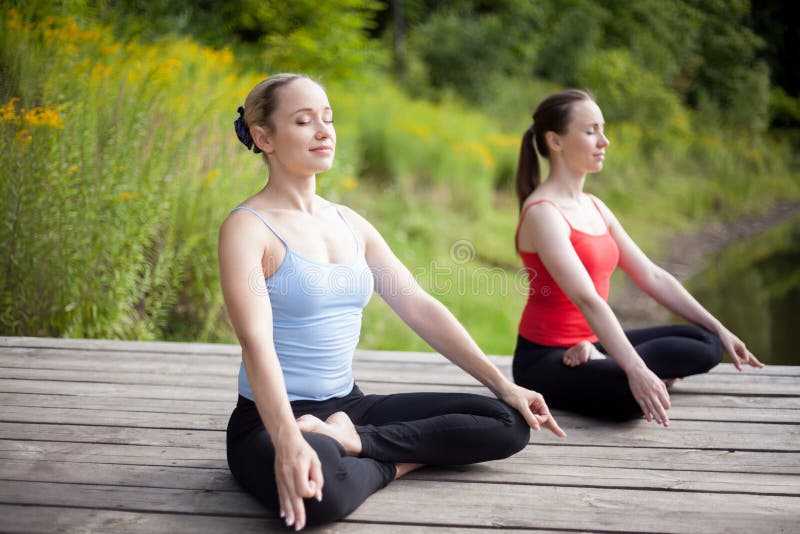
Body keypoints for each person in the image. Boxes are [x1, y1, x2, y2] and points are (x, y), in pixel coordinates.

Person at [220, 73, 565, 531]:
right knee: (319, 497)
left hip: (350, 407)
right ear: (264, 137)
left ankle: (356, 442)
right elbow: (256, 343)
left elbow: (419, 306)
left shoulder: (350, 223)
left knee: (505, 421)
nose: (324, 131)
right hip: (270, 420)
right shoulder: (247, 229)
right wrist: (287, 440)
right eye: (304, 121)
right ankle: (388, 456)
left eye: (328, 118)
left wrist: (504, 385)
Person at [512, 89, 763, 427]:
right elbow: (586, 298)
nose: (604, 141)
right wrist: (636, 369)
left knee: (707, 342)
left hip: (591, 341)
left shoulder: (595, 206)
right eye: (590, 131)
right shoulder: (543, 213)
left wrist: (721, 328)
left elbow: (651, 275)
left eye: (603, 129)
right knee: (630, 396)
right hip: (546, 359)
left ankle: (601, 358)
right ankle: (613, 365)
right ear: (555, 141)